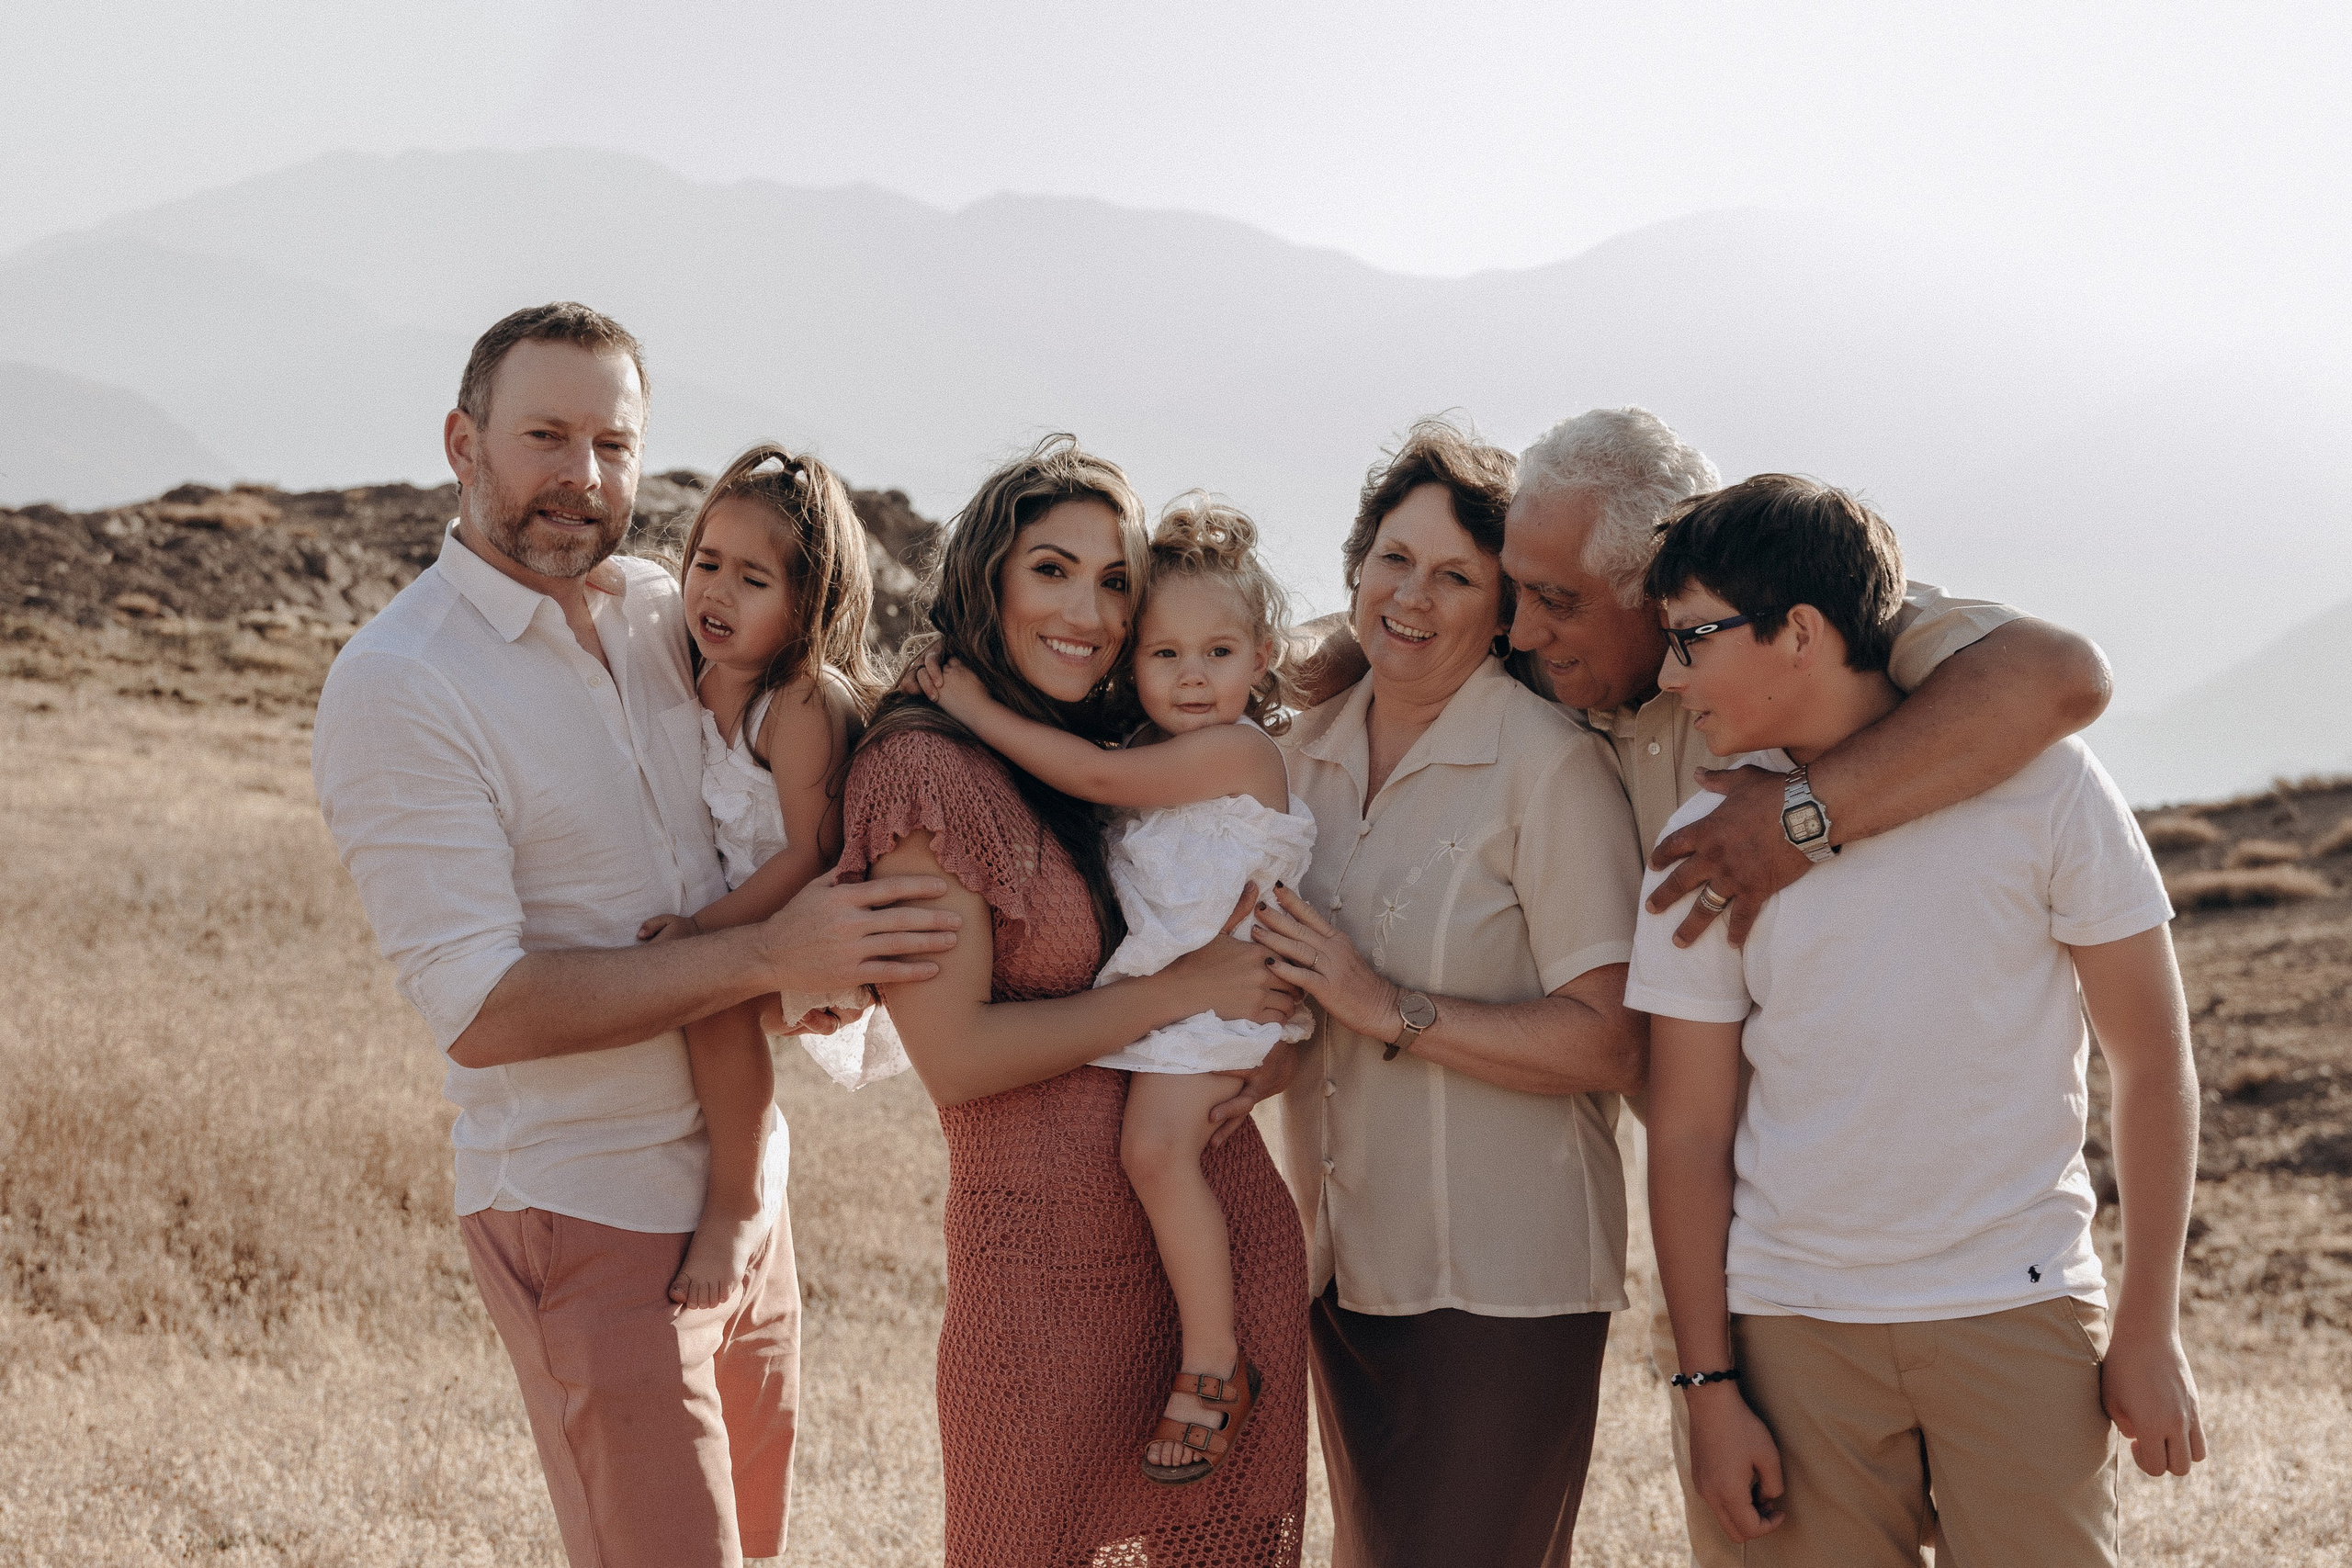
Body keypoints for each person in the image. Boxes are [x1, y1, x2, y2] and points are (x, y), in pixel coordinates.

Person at [1296, 406, 2114, 1567]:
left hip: (1970, 1259)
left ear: (1670, 583)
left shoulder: (1783, 611)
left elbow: (2057, 677)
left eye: (1560, 601)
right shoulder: (1545, 662)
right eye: (1515, 593)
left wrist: (1801, 819)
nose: (1521, 631)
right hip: (1761, 1262)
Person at [311, 302, 960, 1568]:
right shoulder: (403, 681)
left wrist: (826, 970)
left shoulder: (668, 609)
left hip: (748, 1191)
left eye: (613, 443)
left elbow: (757, 822)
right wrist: (770, 955)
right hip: (589, 1204)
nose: (583, 475)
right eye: (545, 435)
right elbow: (486, 1007)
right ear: (463, 439)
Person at [1629, 474, 2204, 1565]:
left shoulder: (2047, 784)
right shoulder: (1704, 838)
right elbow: (1690, 1131)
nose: (1668, 674)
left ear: (1797, 630)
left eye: (1691, 638)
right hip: (1790, 1328)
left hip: (2020, 1310)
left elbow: (2153, 1060)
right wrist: (1705, 1385)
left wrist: (2145, 1326)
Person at [839, 436, 1312, 1564]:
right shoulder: (925, 771)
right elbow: (956, 1059)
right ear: (985, 576)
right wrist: (1187, 993)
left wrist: (1279, 1044)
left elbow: (1247, 928)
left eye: (1114, 582)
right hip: (1042, 1279)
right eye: (1051, 569)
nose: (1090, 611)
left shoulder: (1120, 743)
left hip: (1211, 1243)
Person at [1247, 420, 1648, 1568]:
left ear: (1501, 609)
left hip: (1505, 1285)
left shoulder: (1550, 766)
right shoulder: (1294, 757)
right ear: (1356, 567)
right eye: (1393, 559)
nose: (1413, 597)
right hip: (1340, 1266)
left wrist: (1391, 1011)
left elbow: (1615, 1041)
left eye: (1456, 576)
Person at [630, 441, 896, 1309]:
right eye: (706, 562)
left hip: (814, 916)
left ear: (807, 604)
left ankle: (737, 1196)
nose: (715, 590)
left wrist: (708, 935)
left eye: (754, 579)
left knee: (711, 1000)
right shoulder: (702, 677)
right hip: (761, 919)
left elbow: (808, 852)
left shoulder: (801, 701)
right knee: (699, 1000)